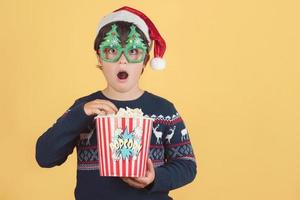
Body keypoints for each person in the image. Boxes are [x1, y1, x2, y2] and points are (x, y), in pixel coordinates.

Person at [36, 6, 197, 200]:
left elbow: (187, 166)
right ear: (99, 58)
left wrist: (155, 178)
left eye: (133, 51)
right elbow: (45, 156)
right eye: (112, 51)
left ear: (145, 60)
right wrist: (80, 114)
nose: (122, 61)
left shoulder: (163, 110)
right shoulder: (84, 109)